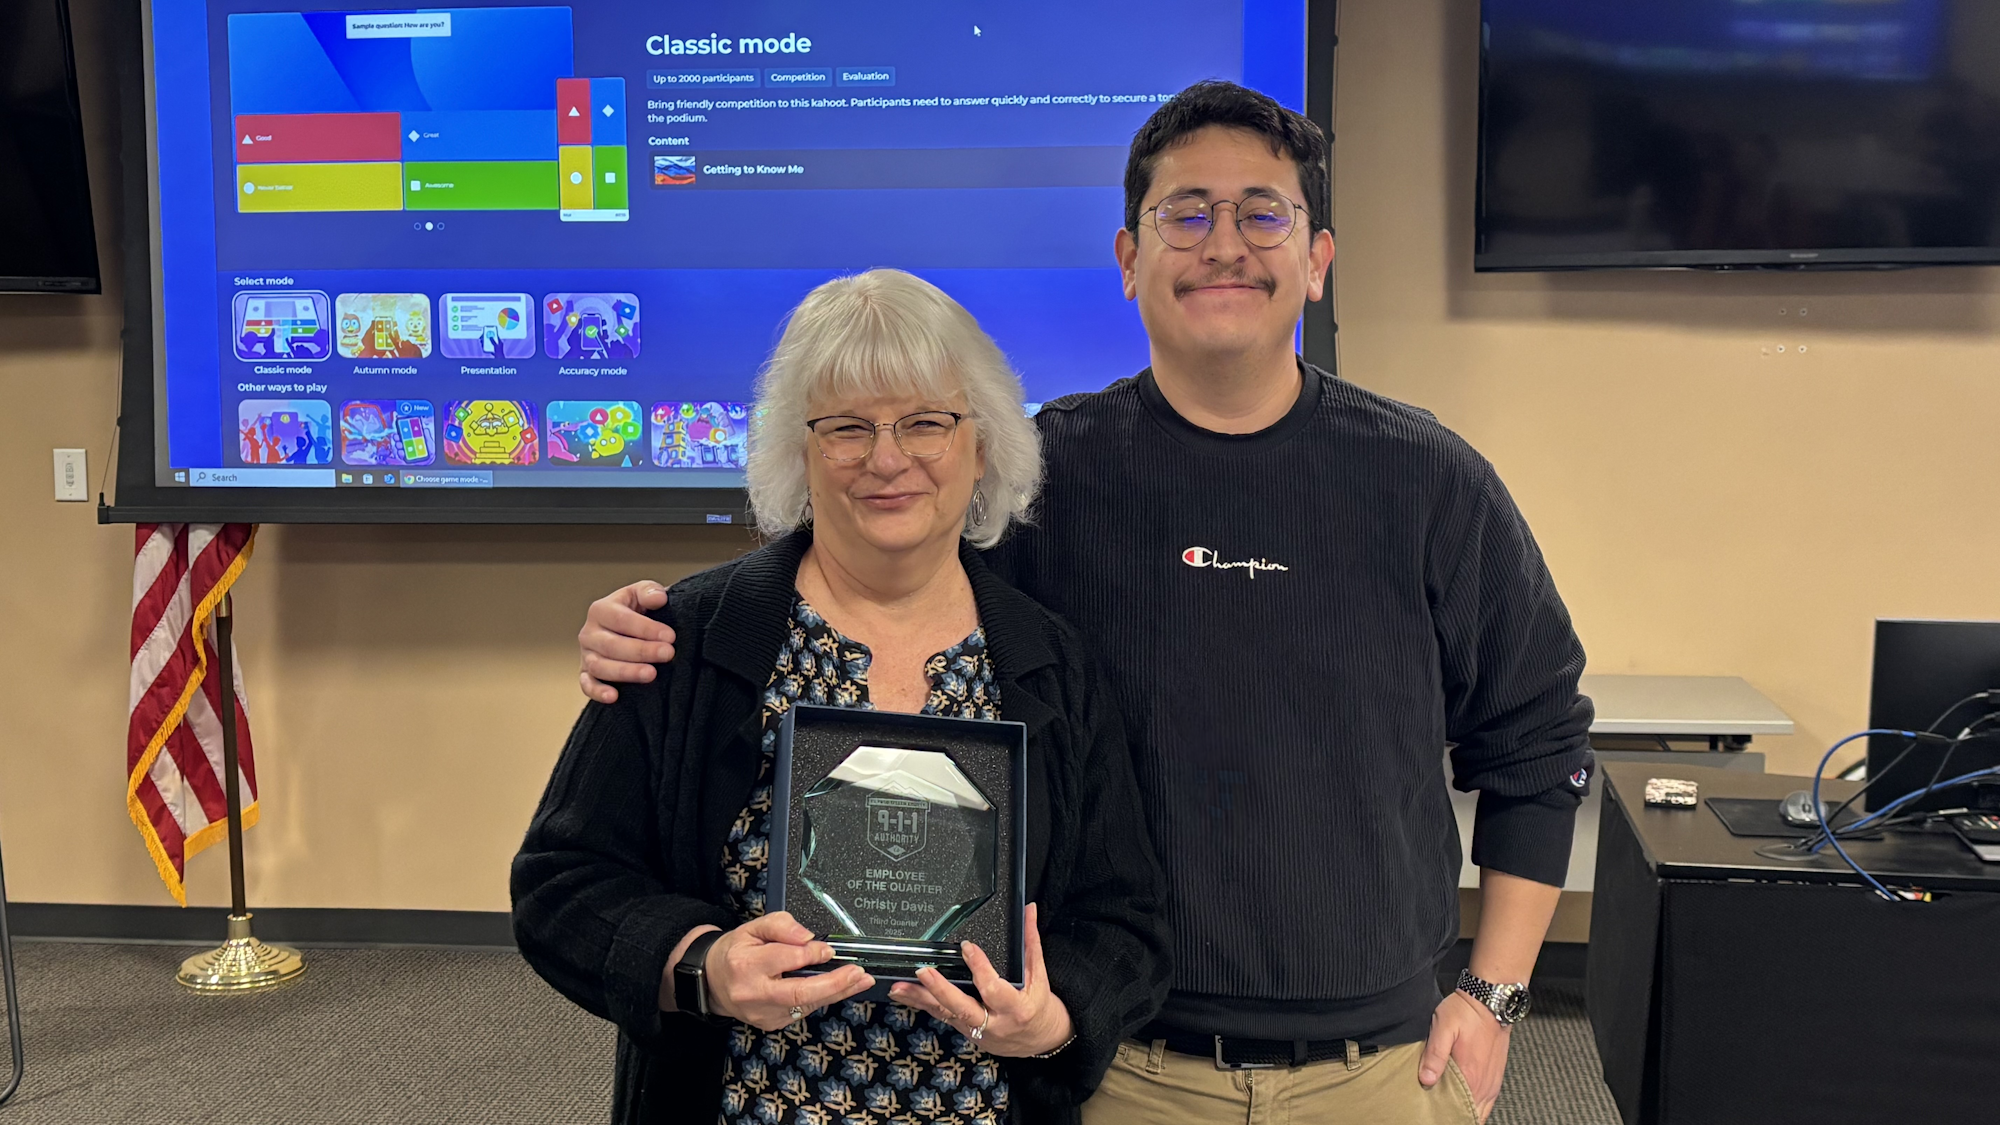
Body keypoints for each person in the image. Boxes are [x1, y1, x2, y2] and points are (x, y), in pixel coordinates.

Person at [575, 83, 1593, 1124]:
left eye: (1262, 213)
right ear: (1127, 259)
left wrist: (1493, 991)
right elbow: (867, 546)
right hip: (1114, 1067)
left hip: (1379, 1063)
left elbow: (1537, 742)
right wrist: (663, 620)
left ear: (1317, 257)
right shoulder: (1037, 482)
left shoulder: (1428, 481)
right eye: (1184, 214)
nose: (1222, 244)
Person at [512, 269, 1170, 1125]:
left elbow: (1126, 920)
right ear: (797, 450)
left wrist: (1055, 1018)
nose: (887, 457)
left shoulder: (1049, 663)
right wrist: (697, 966)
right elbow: (560, 883)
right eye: (846, 427)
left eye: (926, 422)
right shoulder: (687, 641)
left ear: (981, 447)